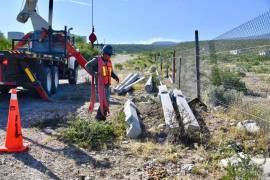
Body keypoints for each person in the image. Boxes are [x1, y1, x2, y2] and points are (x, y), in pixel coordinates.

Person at [85, 45, 119, 121]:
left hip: (107, 85)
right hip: (100, 85)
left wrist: (115, 76)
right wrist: (94, 73)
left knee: (107, 101)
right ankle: (99, 117)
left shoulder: (109, 61)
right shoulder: (97, 60)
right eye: (108, 55)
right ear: (103, 53)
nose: (109, 57)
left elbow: (110, 72)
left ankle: (102, 116)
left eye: (110, 55)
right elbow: (87, 66)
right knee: (104, 101)